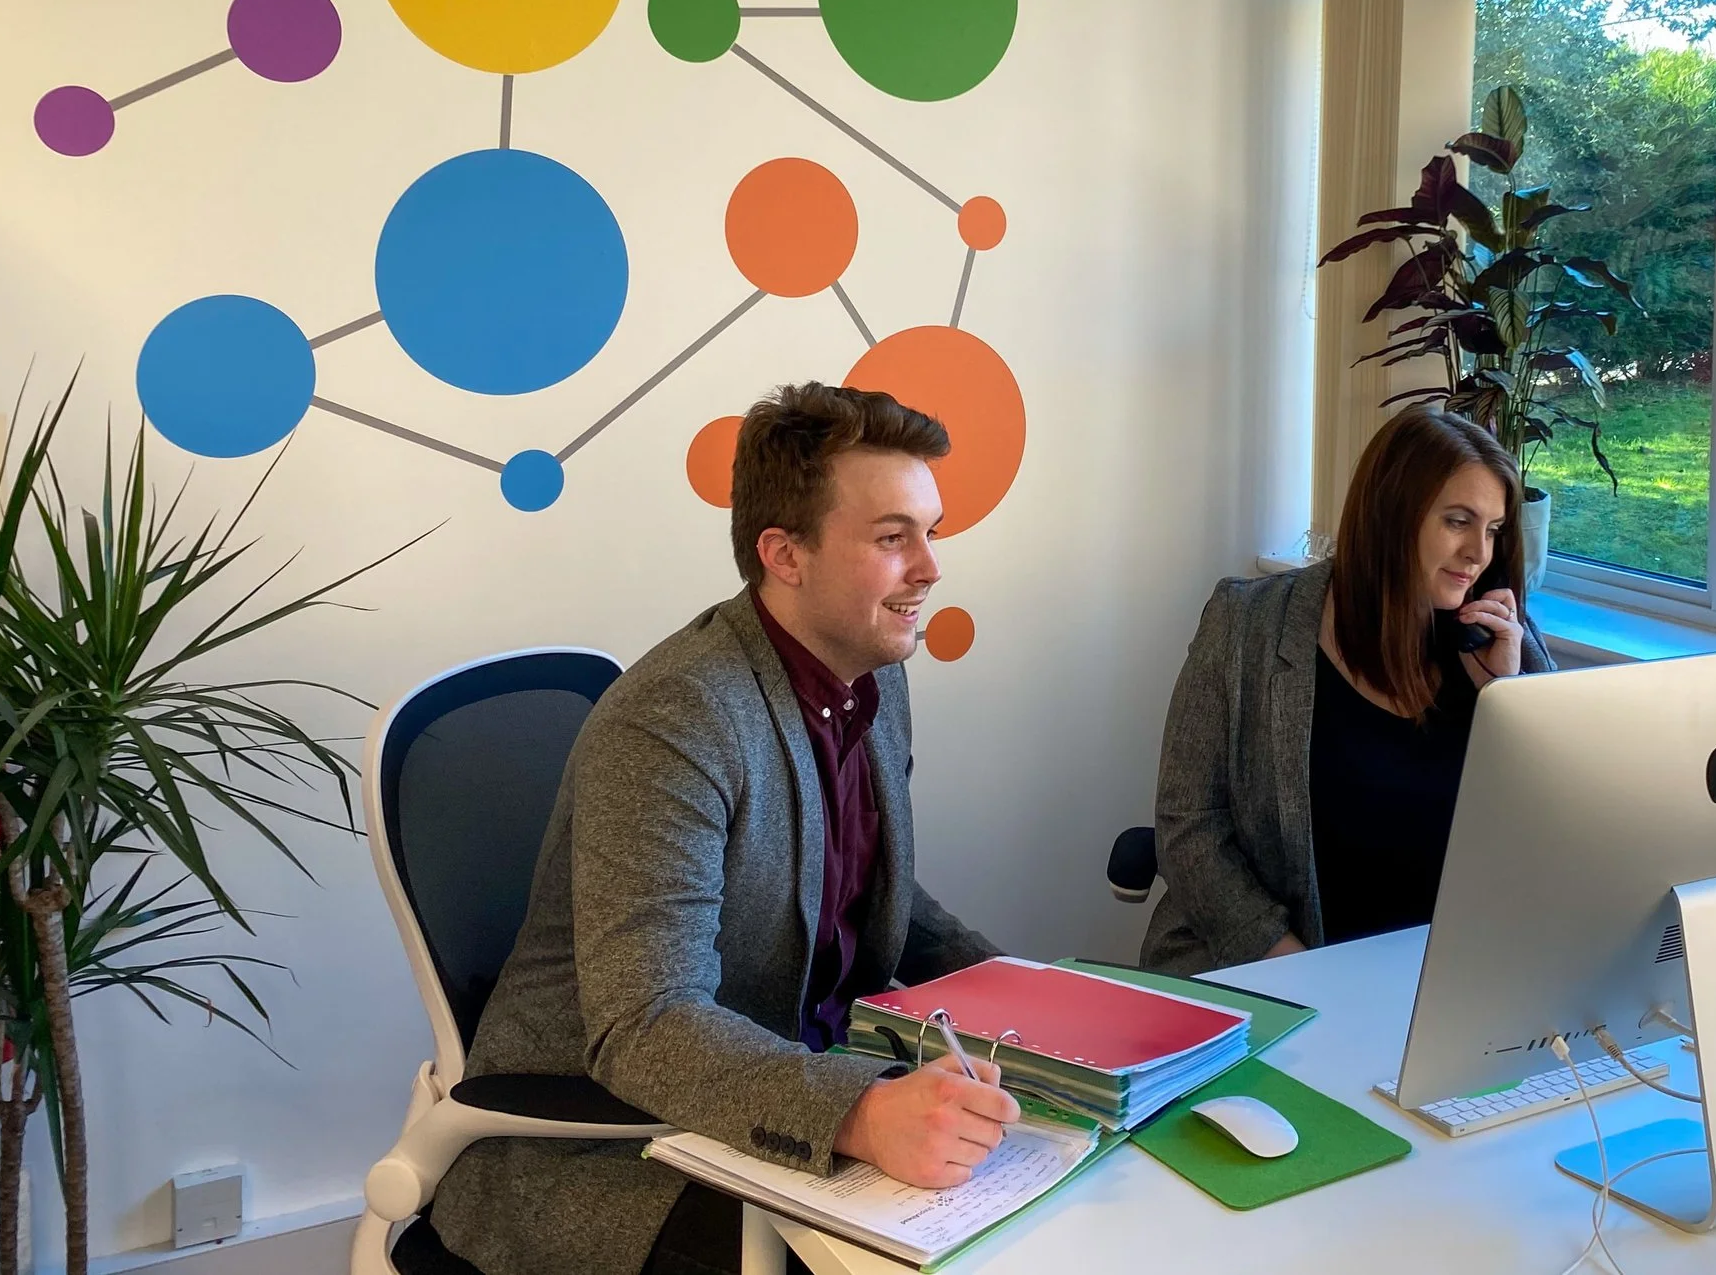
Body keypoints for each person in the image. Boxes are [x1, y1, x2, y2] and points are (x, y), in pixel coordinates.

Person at [429, 385, 1016, 1275]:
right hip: (614, 1145)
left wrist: (1022, 991)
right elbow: (646, 1022)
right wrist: (861, 1111)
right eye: (894, 537)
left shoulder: (870, 667)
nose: (930, 567)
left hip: (785, 1088)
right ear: (784, 553)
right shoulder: (678, 716)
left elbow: (858, 887)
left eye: (931, 531)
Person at [1141, 406, 1554, 975]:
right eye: (1458, 521)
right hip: (1270, 966)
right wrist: (1301, 972)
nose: (1478, 554)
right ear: (1391, 514)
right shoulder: (1246, 625)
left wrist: (1503, 695)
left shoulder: (1503, 640)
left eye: (1493, 530)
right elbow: (1189, 825)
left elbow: (1555, 827)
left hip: (1440, 974)